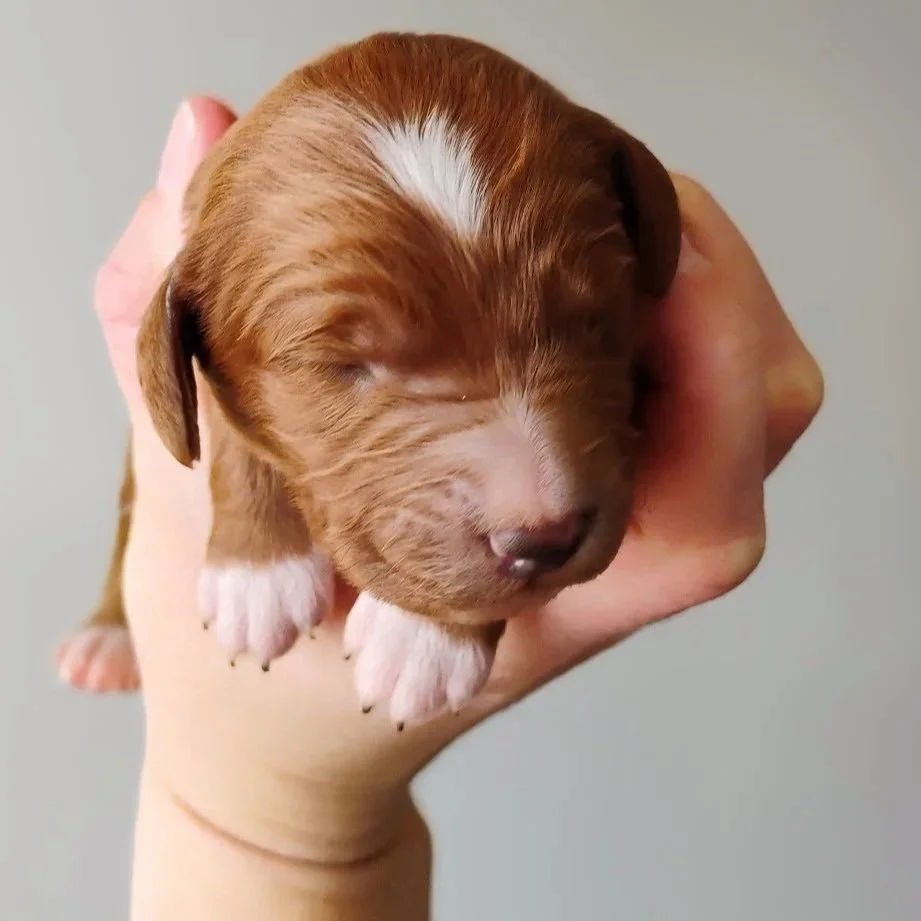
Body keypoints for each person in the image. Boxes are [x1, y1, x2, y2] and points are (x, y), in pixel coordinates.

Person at [94, 96, 823, 920]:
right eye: (350, 363)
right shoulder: (234, 285)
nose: (537, 495)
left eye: (583, 324)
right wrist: (254, 523)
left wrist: (260, 819)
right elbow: (233, 375)